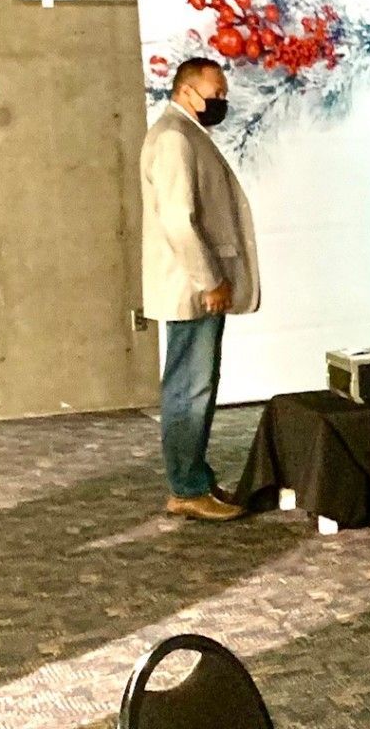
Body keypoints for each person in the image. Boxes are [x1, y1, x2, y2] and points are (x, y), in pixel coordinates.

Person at [140, 57, 260, 521]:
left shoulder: (184, 132)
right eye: (217, 93)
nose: (222, 101)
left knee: (197, 384)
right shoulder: (174, 137)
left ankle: (196, 478)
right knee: (189, 388)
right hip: (192, 285)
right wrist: (209, 280)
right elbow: (178, 219)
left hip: (194, 283)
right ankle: (187, 488)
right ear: (188, 90)